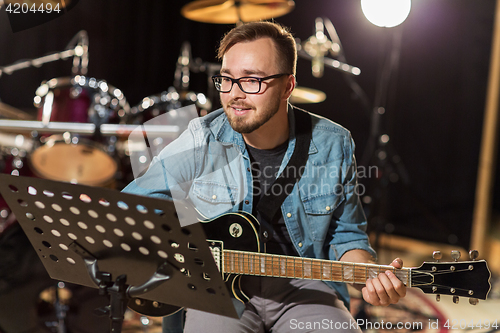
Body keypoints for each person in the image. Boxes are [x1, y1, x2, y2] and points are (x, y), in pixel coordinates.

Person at [122, 21, 406, 333]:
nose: (234, 95)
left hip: (303, 286)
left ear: (288, 86)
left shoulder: (332, 143)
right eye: (227, 80)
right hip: (222, 290)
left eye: (252, 81)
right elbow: (137, 203)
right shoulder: (203, 136)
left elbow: (346, 235)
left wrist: (369, 274)